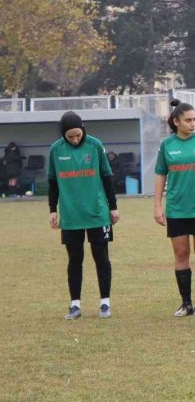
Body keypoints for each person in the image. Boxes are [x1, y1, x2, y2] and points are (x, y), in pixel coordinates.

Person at [47, 112, 118, 319]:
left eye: (78, 135)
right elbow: (52, 182)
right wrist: (53, 210)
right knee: (75, 259)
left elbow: (107, 177)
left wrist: (113, 206)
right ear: (63, 134)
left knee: (101, 257)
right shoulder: (55, 150)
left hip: (97, 213)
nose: (75, 139)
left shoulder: (95, 146)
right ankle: (75, 305)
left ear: (83, 129)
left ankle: (105, 302)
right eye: (70, 137)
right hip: (70, 215)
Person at [154, 99, 195, 317]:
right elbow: (161, 174)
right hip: (176, 209)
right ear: (176, 122)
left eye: (194, 120)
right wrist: (157, 206)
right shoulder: (167, 145)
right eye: (188, 120)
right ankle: (186, 303)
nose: (193, 124)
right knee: (181, 254)